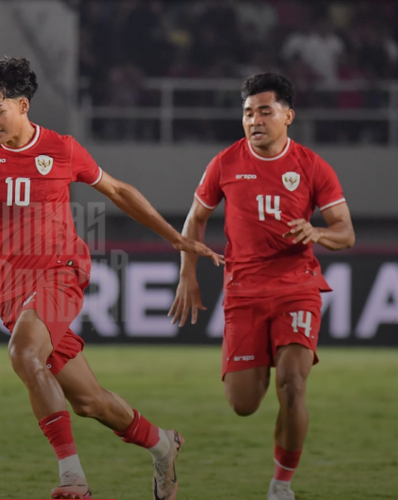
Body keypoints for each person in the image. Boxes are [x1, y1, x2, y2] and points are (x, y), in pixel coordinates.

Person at [0, 57, 223, 500]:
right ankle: (164, 445)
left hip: (61, 272)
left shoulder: (61, 148)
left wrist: (173, 236)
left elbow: (117, 191)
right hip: (12, 292)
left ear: (23, 104)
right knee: (90, 401)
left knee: (23, 351)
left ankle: (73, 479)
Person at [169, 73, 355, 500]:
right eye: (248, 112)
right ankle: (266, 363)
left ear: (288, 116)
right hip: (243, 294)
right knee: (243, 403)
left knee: (292, 383)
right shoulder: (225, 163)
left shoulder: (311, 166)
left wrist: (318, 232)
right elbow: (195, 219)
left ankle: (280, 486)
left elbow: (346, 233)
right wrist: (188, 273)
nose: (254, 120)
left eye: (265, 111)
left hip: (297, 288)